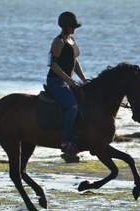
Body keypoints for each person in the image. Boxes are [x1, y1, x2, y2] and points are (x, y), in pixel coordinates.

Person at [46, 11, 87, 156]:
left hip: (67, 82)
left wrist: (83, 79)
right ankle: (66, 141)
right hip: (56, 82)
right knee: (72, 106)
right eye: (72, 26)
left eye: (75, 26)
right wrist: (69, 81)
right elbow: (53, 65)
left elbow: (74, 63)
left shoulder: (72, 41)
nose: (74, 29)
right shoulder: (58, 42)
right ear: (65, 26)